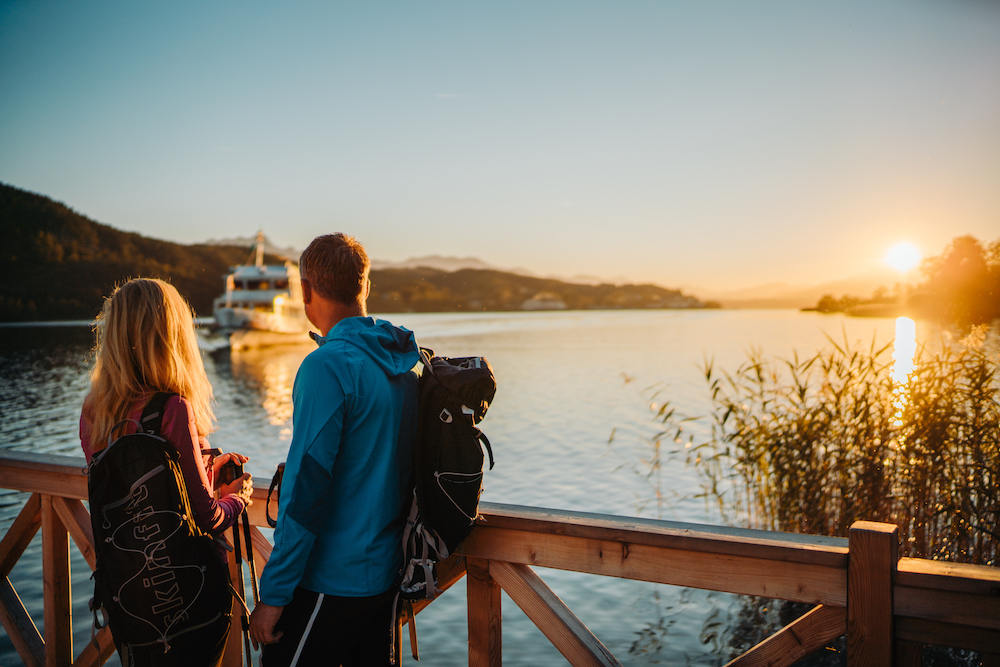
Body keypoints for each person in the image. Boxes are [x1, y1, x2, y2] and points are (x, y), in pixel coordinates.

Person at [249, 233, 420, 666]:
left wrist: (273, 595)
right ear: (365, 287)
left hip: (331, 581)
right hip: (384, 578)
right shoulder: (403, 367)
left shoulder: (327, 367)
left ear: (305, 290)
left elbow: (305, 493)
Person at [80, 278, 254, 667]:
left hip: (132, 603)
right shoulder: (172, 409)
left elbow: (135, 492)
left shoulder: (94, 412)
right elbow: (207, 518)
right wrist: (237, 498)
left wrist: (201, 468)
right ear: (171, 336)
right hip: (191, 602)